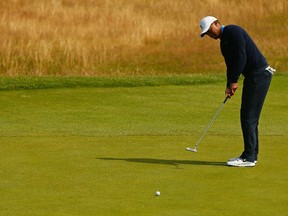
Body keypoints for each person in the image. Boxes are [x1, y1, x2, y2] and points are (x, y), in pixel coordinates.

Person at [199, 16, 275, 167]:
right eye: (206, 33)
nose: (210, 34)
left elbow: (241, 56)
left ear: (217, 23)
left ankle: (249, 157)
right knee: (248, 117)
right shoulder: (223, 44)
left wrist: (234, 81)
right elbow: (231, 65)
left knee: (248, 117)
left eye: (210, 30)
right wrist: (229, 84)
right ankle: (251, 154)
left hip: (259, 75)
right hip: (254, 76)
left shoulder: (233, 31)